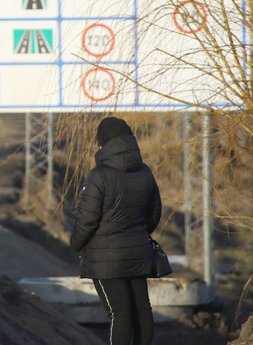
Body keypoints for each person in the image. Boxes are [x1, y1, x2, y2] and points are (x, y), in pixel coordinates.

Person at [70, 116, 163, 345]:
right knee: (142, 309)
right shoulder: (145, 172)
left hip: (105, 259)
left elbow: (87, 221)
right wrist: (138, 234)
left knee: (118, 313)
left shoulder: (98, 176)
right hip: (138, 252)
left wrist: (75, 244)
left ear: (103, 143)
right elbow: (154, 214)